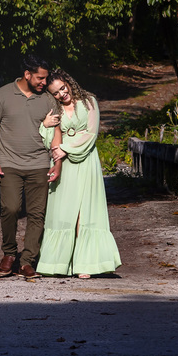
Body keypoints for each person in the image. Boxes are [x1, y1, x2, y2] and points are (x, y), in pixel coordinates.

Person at [36, 69, 121, 278]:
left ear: (69, 82)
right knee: (63, 212)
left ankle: (86, 264)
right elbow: (50, 139)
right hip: (63, 164)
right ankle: (59, 263)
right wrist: (44, 125)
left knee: (85, 211)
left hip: (86, 161)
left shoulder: (89, 102)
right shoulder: (54, 108)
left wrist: (66, 147)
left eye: (62, 88)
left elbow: (91, 134)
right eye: (55, 93)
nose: (61, 94)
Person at [0, 54, 61, 279]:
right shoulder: (2, 95)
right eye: (40, 78)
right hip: (9, 164)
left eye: (45, 79)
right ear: (27, 75)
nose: (43, 83)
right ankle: (9, 253)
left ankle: (27, 261)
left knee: (37, 214)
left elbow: (56, 131)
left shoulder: (47, 99)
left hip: (39, 164)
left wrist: (57, 163)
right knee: (11, 208)